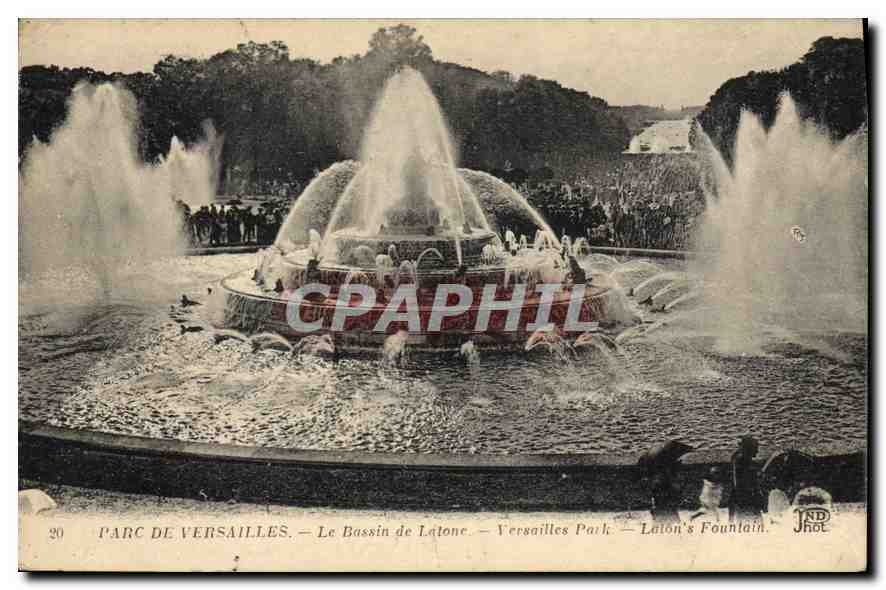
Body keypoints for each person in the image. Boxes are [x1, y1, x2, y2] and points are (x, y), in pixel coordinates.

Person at [729, 435, 763, 521]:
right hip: (747, 502)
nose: (757, 451)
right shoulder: (746, 465)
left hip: (741, 502)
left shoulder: (737, 460)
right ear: (749, 449)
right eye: (755, 448)